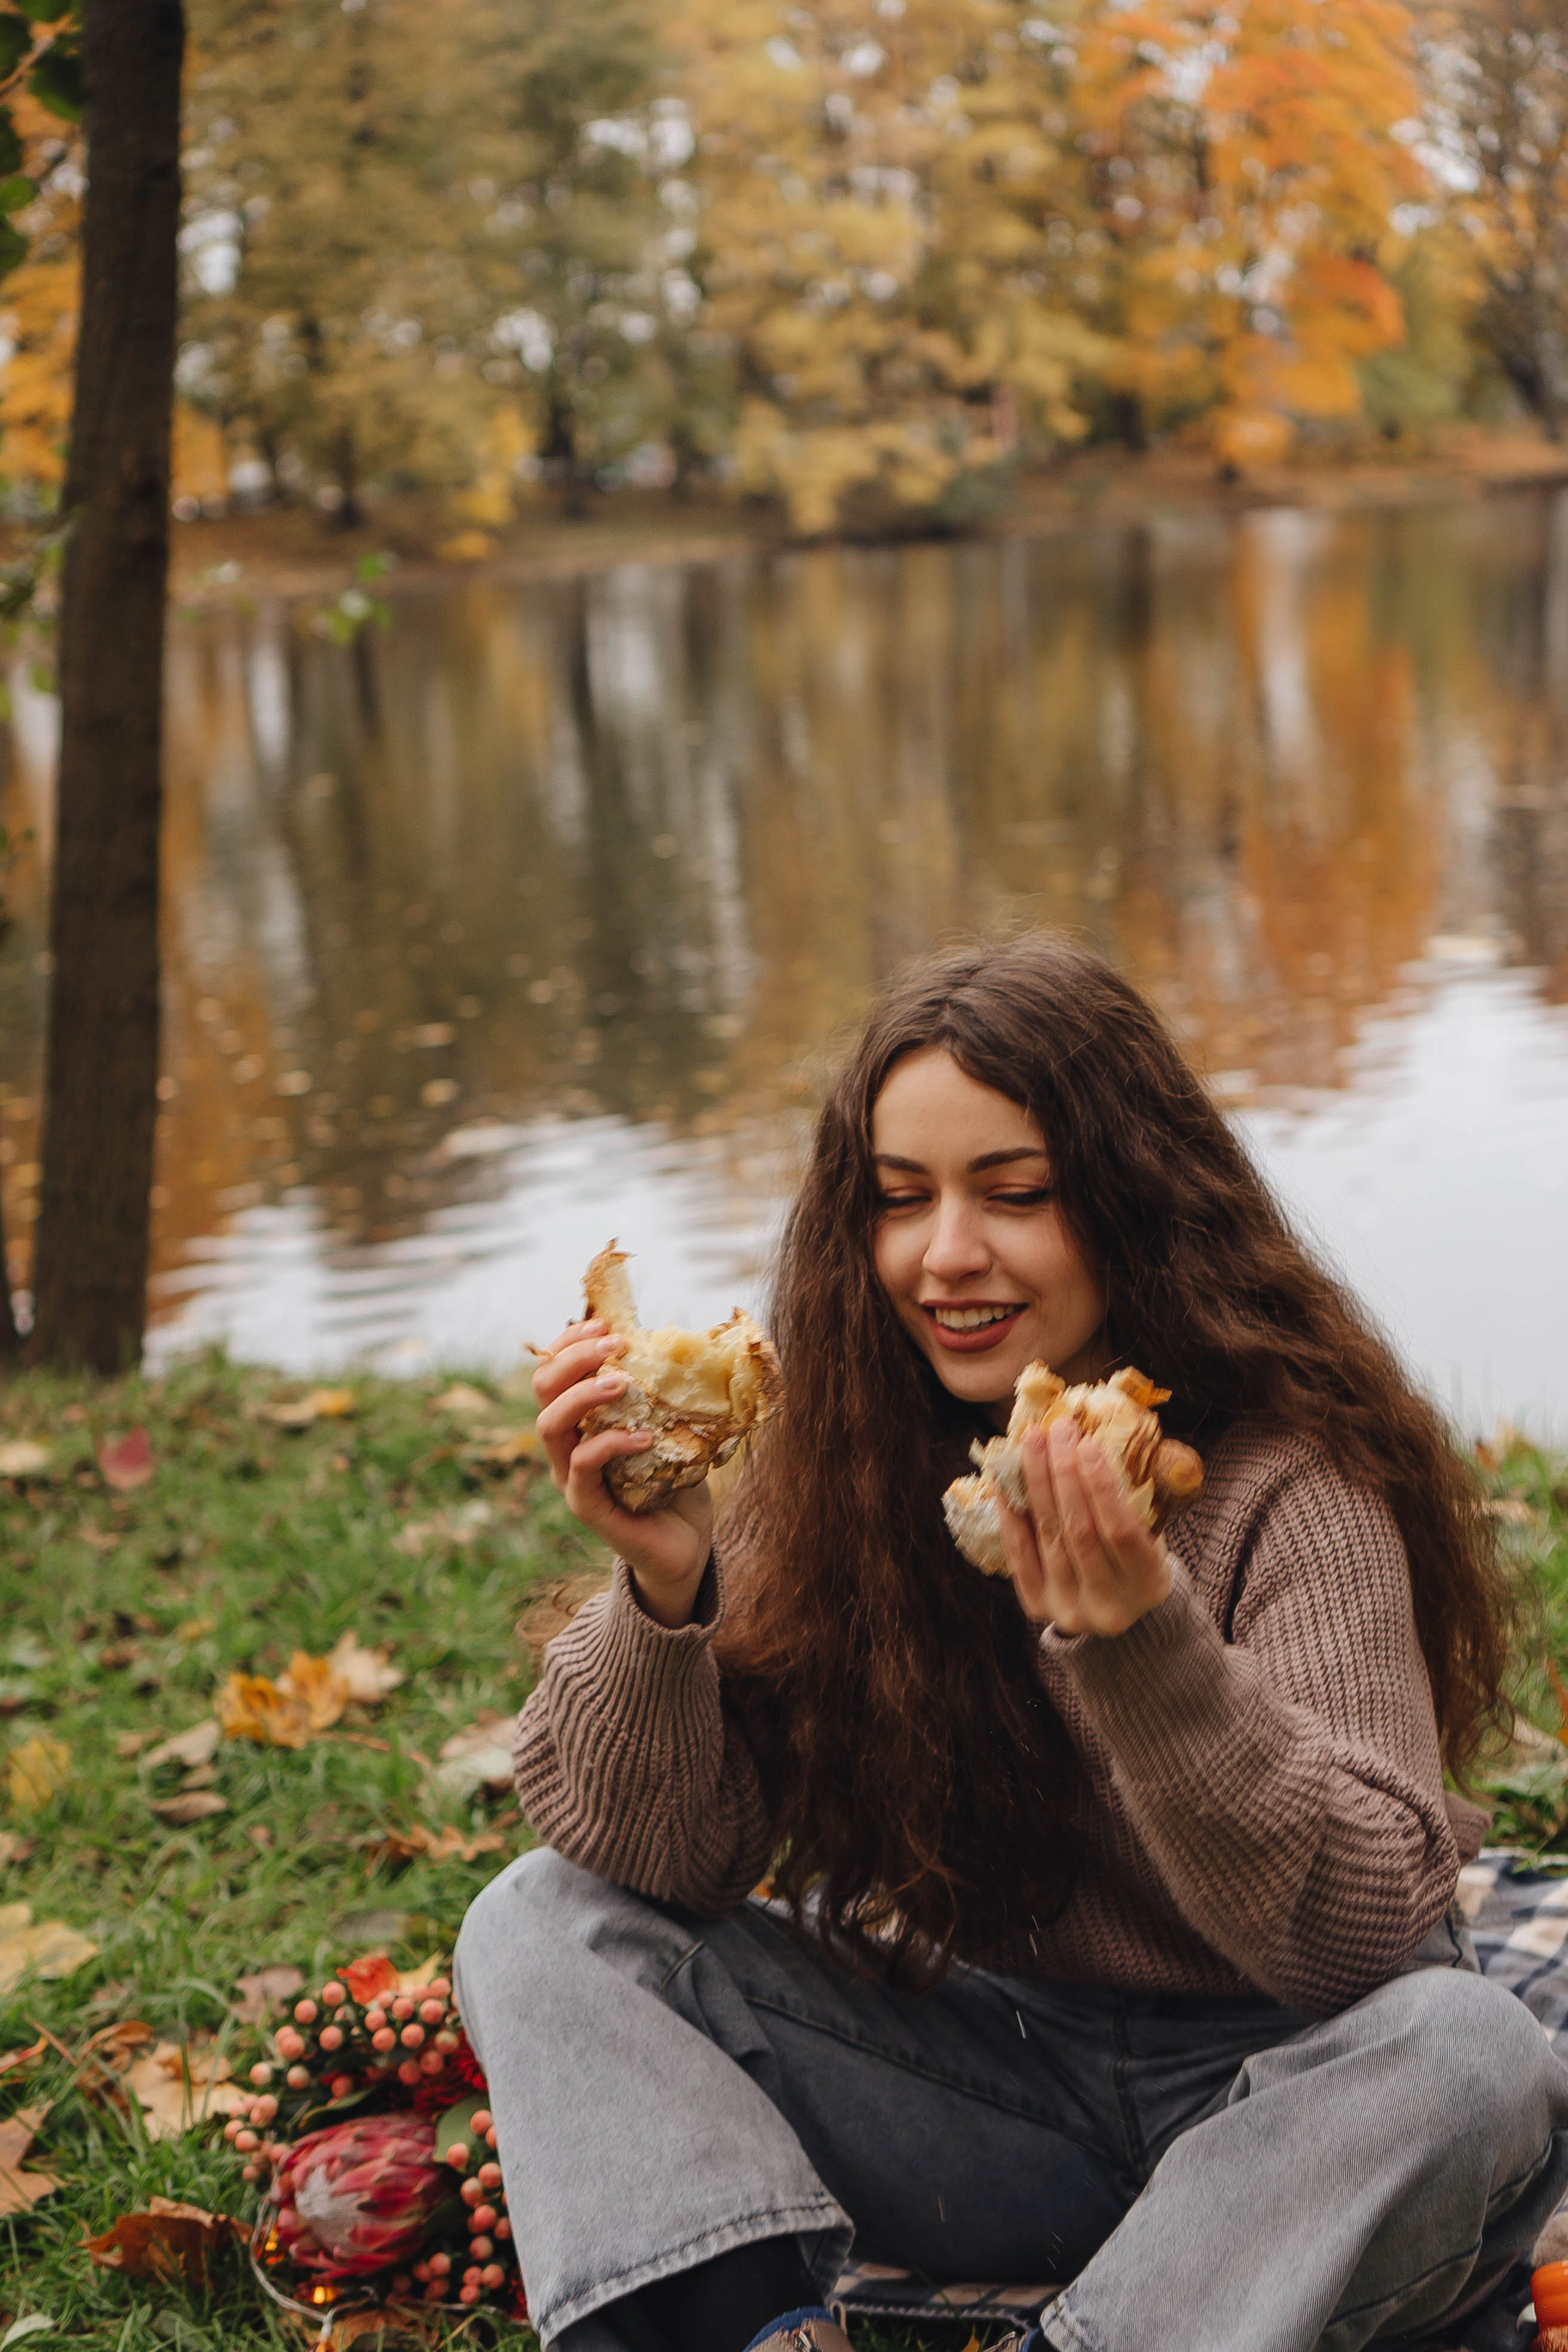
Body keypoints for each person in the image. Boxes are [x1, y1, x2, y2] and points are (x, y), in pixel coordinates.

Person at [454, 937, 1568, 2352]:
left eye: (1015, 1195)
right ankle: (755, 2332)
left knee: (1470, 2055)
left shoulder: (1296, 1486)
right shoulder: (851, 1460)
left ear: (1133, 1203)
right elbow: (662, 1861)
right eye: (899, 1199)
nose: (945, 1255)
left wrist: (1139, 1646)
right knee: (540, 1922)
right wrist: (669, 1590)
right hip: (991, 2094)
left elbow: (1354, 1938)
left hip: (1293, 2117)